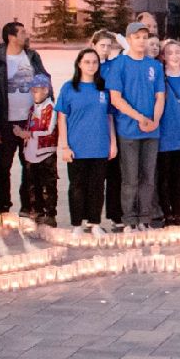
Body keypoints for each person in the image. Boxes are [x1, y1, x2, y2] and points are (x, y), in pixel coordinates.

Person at [0, 21, 46, 215]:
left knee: (29, 164)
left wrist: (42, 114)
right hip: (6, 122)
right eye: (23, 32)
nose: (27, 35)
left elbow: (45, 80)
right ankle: (3, 206)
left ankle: (28, 206)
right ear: (11, 37)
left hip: (29, 121)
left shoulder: (33, 57)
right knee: (3, 166)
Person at [107, 22, 166, 229]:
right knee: (130, 178)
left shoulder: (155, 66)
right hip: (129, 130)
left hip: (152, 130)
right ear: (129, 39)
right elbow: (116, 98)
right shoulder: (119, 64)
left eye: (144, 37)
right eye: (137, 37)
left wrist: (155, 120)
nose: (141, 41)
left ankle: (145, 218)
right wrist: (140, 117)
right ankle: (130, 219)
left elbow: (160, 97)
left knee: (148, 177)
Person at [56, 48, 115, 233]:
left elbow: (109, 117)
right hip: (77, 146)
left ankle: (95, 223)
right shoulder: (69, 87)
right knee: (77, 187)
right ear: (79, 64)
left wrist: (112, 143)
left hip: (99, 146)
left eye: (95, 62)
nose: (91, 65)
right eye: (87, 62)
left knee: (97, 187)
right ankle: (76, 225)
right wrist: (65, 146)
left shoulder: (104, 89)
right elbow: (62, 118)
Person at [92, 30, 126, 228]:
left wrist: (118, 37)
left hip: (114, 119)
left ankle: (115, 215)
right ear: (94, 45)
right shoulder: (87, 65)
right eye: (102, 45)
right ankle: (92, 216)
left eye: (108, 46)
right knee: (96, 174)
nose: (105, 50)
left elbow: (128, 51)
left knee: (115, 172)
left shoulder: (114, 65)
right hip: (95, 122)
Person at [17, 75, 58, 226]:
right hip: (31, 152)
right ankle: (37, 211)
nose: (34, 93)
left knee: (48, 184)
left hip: (45, 152)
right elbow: (30, 125)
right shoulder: (32, 108)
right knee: (33, 184)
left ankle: (50, 213)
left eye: (37, 90)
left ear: (46, 90)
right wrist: (22, 132)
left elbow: (49, 130)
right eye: (32, 90)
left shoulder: (51, 108)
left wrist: (30, 134)